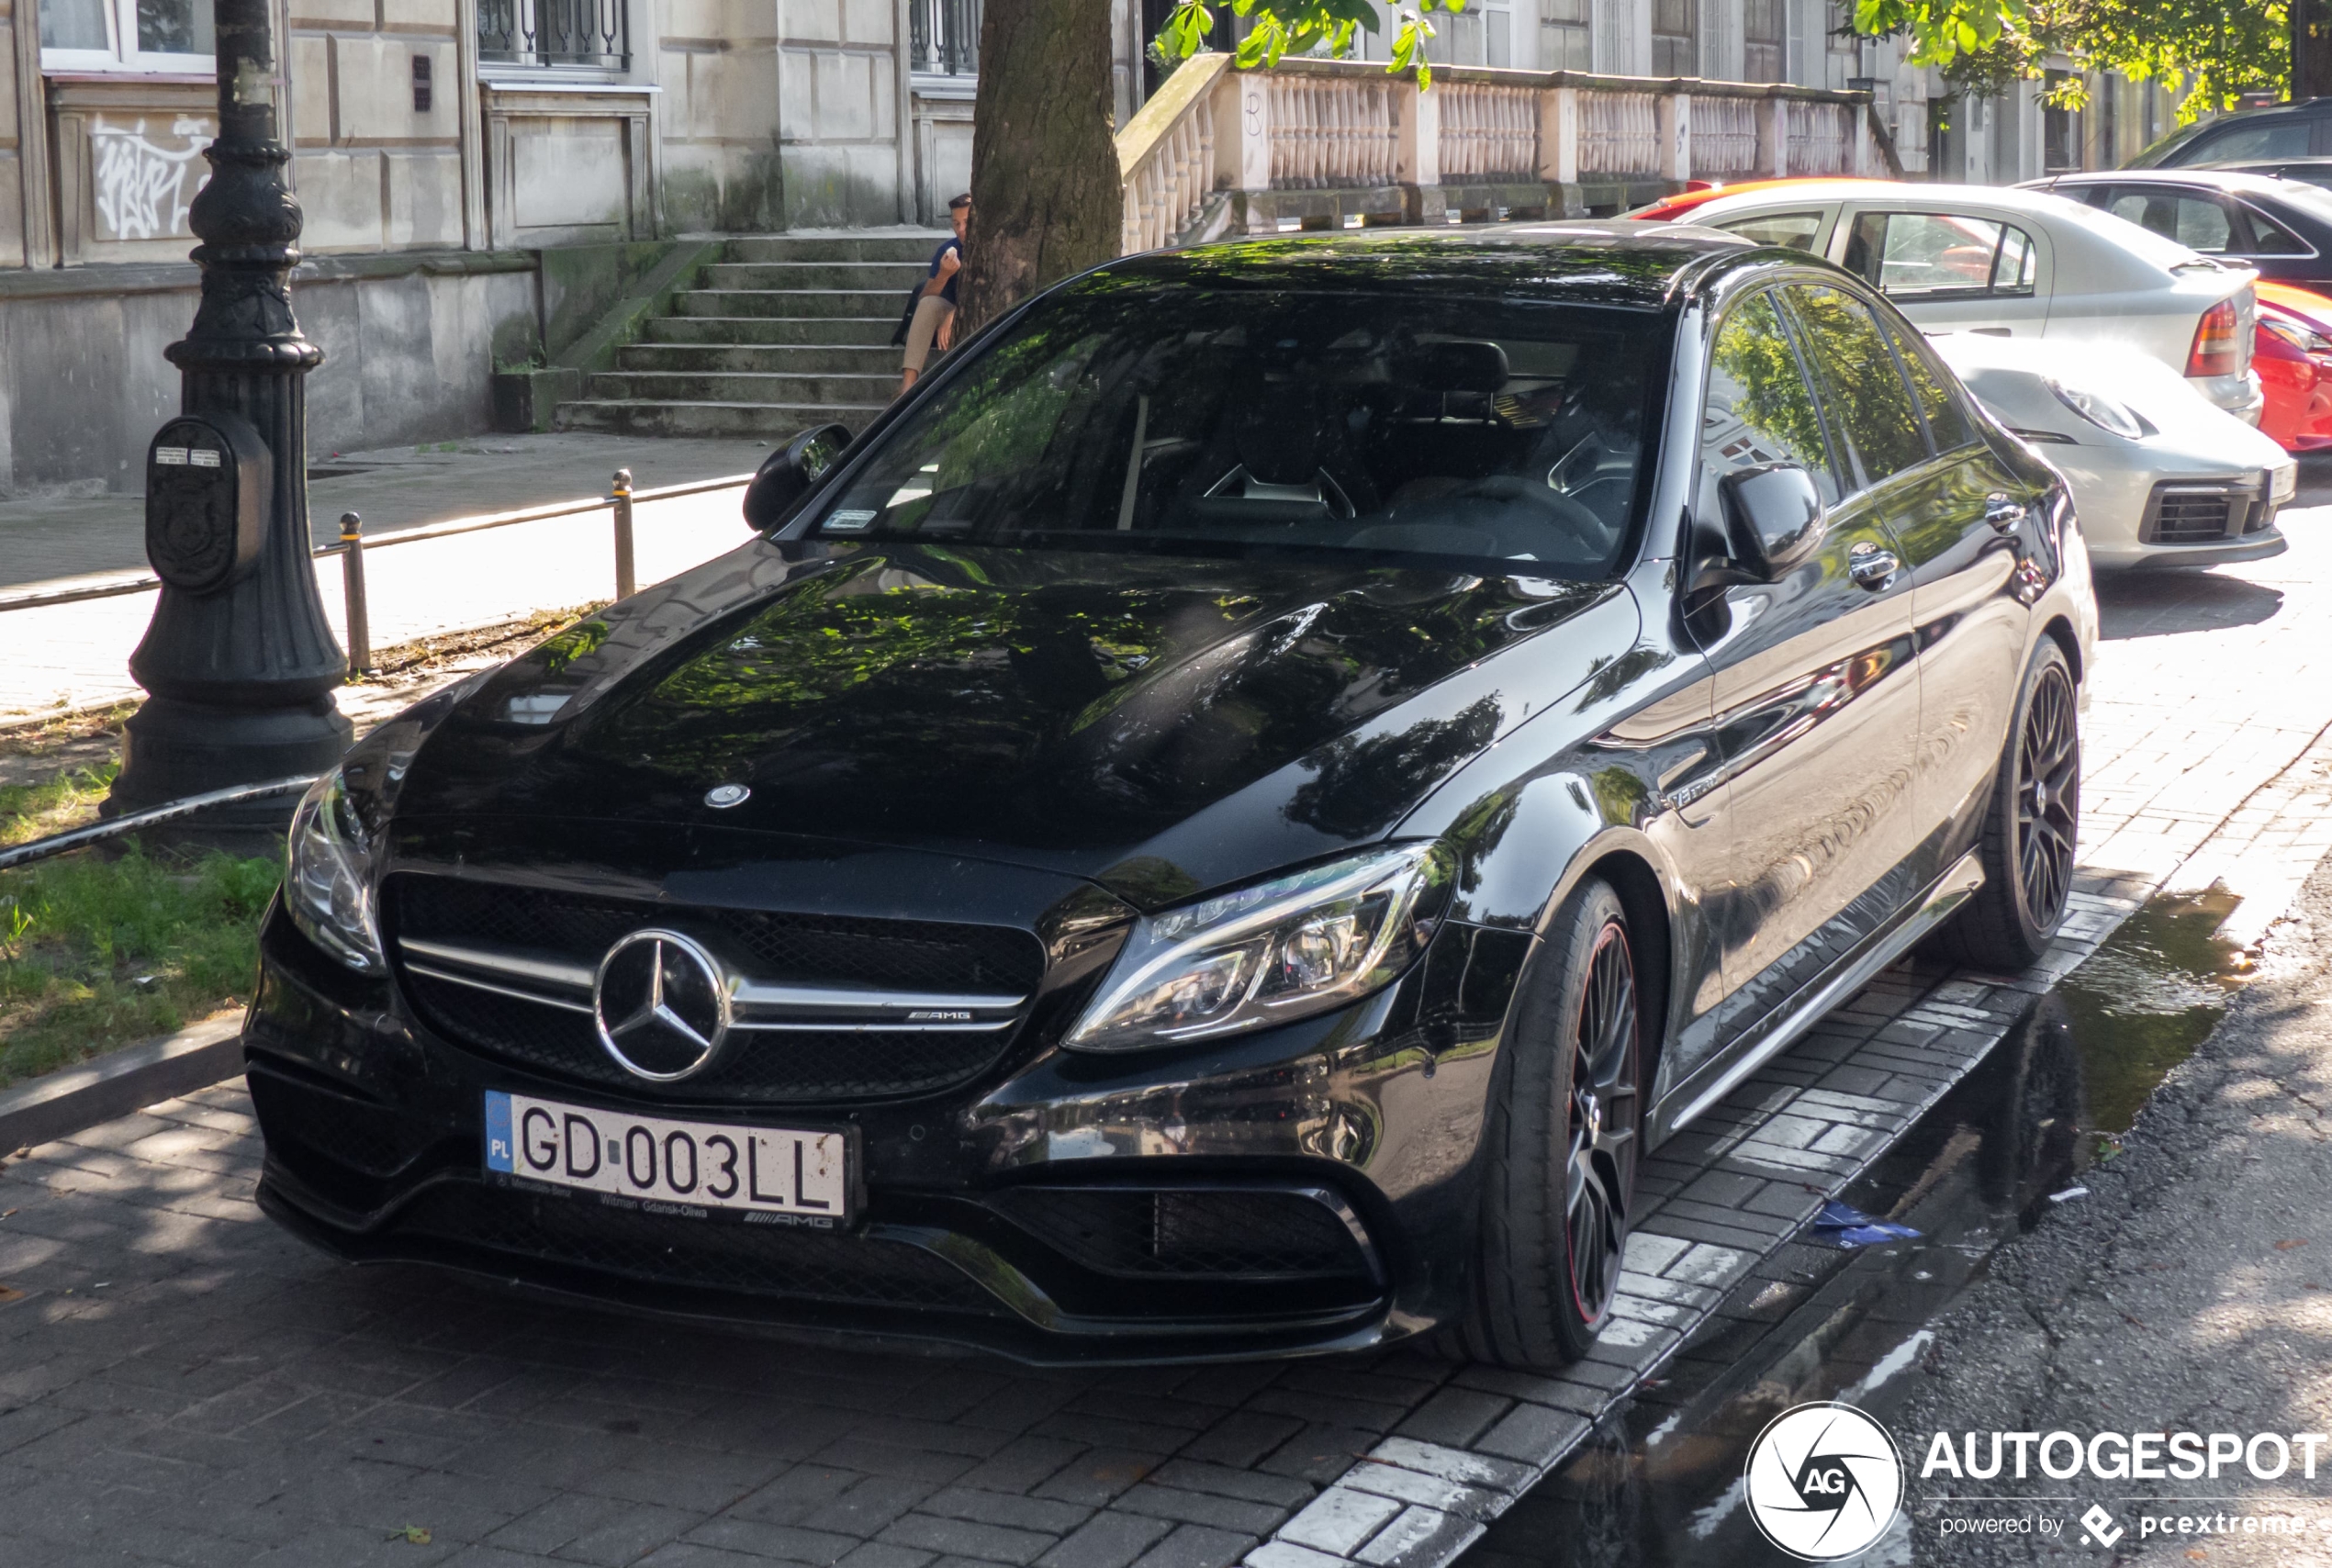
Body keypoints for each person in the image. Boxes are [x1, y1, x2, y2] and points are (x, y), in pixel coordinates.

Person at [901, 194, 970, 394]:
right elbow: (923, 299)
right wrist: (944, 274)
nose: (961, 230)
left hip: (981, 313)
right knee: (929, 304)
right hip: (944, 316)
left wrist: (955, 313)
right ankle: (907, 389)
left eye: (966, 222)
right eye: (956, 223)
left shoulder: (995, 248)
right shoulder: (948, 250)